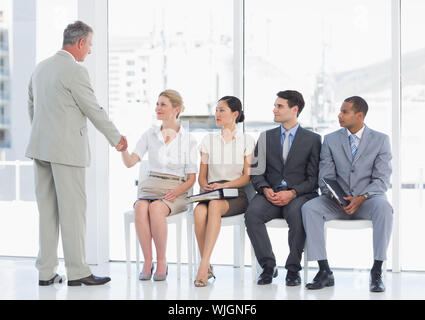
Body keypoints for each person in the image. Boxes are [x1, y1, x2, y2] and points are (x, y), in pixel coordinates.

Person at [26, 21, 127, 286]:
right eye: (90, 45)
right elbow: (93, 109)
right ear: (80, 43)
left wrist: (43, 134)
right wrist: (116, 138)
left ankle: (45, 273)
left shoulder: (40, 68)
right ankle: (78, 271)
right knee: (72, 213)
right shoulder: (75, 71)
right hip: (67, 152)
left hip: (40, 149)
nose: (90, 51)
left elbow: (31, 107)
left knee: (47, 214)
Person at [301, 96, 393, 293]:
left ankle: (377, 271)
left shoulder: (381, 140)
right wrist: (336, 197)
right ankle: (324, 270)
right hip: (337, 201)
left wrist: (362, 197)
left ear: (359, 115)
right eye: (340, 111)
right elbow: (325, 176)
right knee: (309, 208)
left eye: (345, 112)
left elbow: (382, 179)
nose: (339, 115)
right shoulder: (331, 139)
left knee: (385, 207)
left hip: (367, 200)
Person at [245, 90, 321, 286]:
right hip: (269, 193)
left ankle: (293, 269)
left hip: (299, 194)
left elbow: (314, 179)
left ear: (294, 110)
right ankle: (268, 266)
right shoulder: (265, 137)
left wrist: (293, 192)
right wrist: (264, 189)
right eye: (275, 105)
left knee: (298, 213)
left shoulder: (313, 139)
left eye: (279, 106)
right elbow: (256, 171)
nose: (274, 109)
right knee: (252, 214)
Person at [121, 89, 197, 281]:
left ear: (176, 109)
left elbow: (191, 179)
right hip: (151, 185)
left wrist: (175, 192)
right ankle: (148, 261)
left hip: (177, 189)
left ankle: (162, 261)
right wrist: (123, 150)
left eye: (163, 104)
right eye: (157, 104)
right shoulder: (150, 134)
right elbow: (131, 162)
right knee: (140, 207)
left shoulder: (188, 139)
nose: (158, 108)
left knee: (156, 208)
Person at [193, 96, 255, 287]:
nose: (217, 114)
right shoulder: (208, 140)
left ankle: (203, 266)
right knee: (198, 211)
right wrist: (206, 186)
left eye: (222, 110)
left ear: (235, 114)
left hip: (235, 192)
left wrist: (225, 186)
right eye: (216, 110)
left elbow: (247, 177)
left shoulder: (247, 140)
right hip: (212, 191)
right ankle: (207, 264)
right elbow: (201, 176)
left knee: (213, 207)